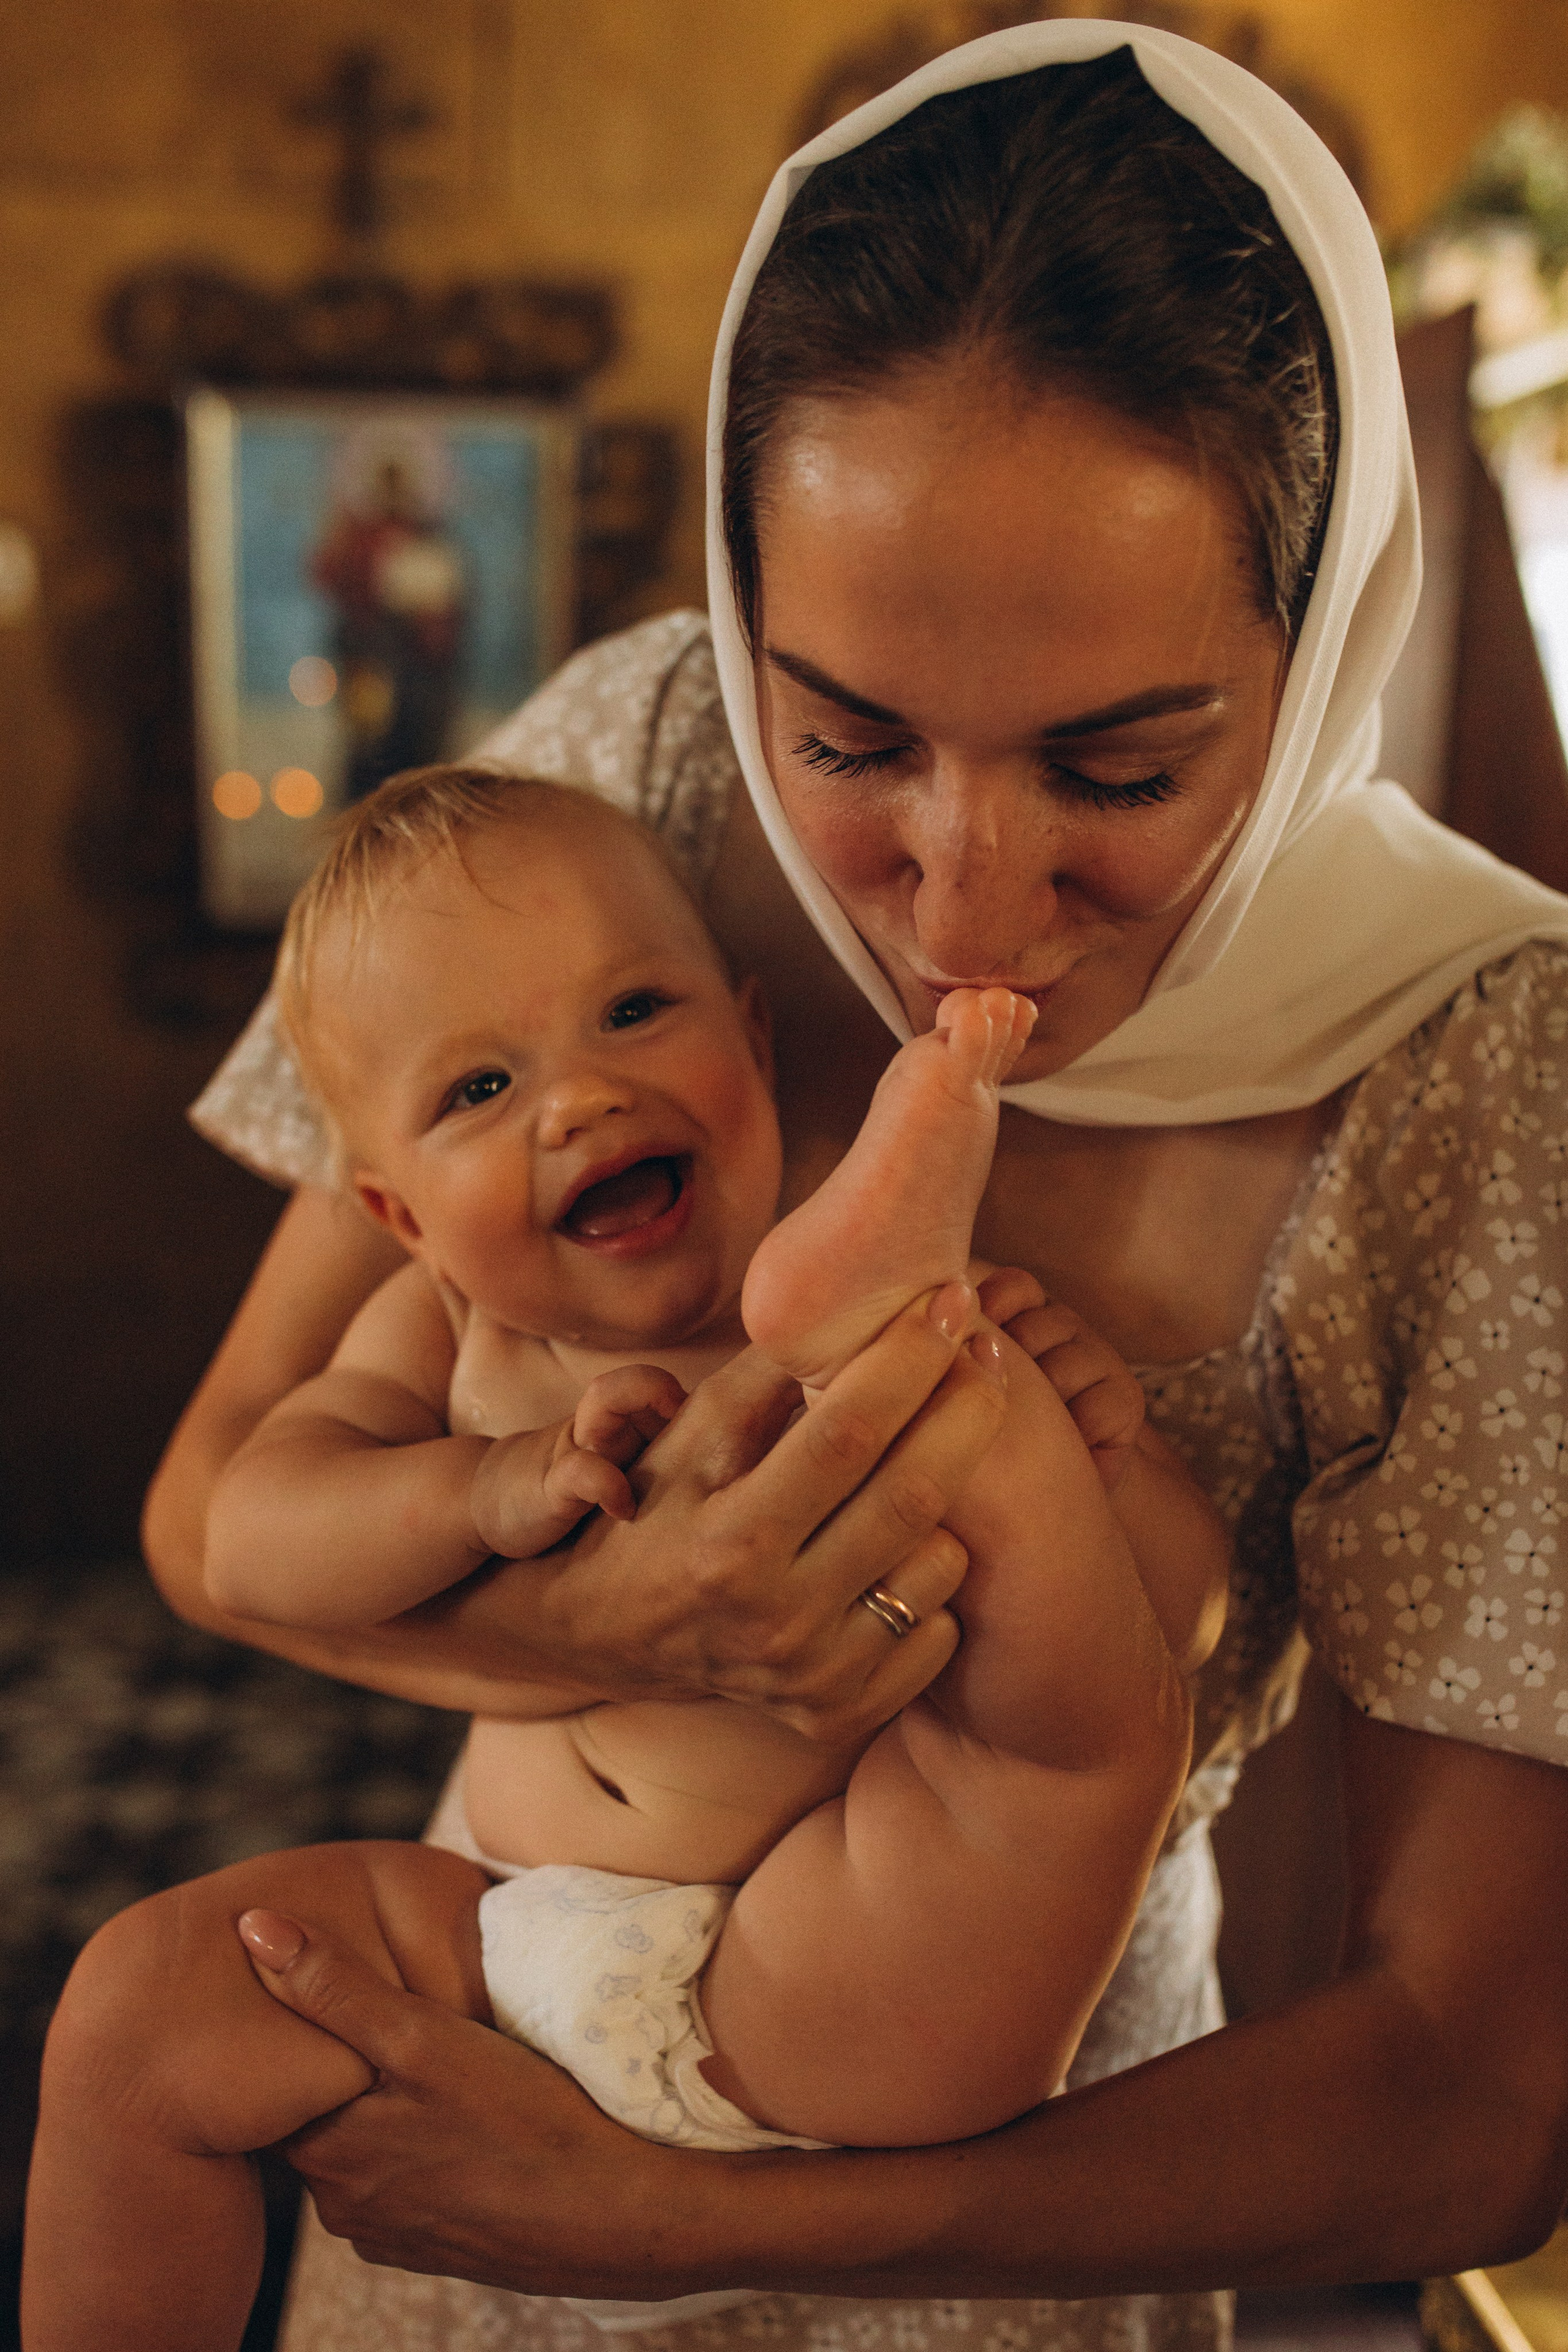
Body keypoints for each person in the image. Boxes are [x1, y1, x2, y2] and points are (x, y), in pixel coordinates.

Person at [140, 23, 1568, 2352]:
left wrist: (681, 2219)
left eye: (1121, 767)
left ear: (1319, 651)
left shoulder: (1485, 1067)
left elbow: (1479, 2097)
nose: (963, 910)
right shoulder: (637, 767)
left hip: (992, 2246)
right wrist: (621, 1625)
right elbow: (215, 1518)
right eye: (850, 736)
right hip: (486, 2100)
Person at [25, 766, 1224, 2352]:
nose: (580, 1097)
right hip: (500, 1944)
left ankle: (972, 1331)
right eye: (478, 1088)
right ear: (397, 1212)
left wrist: (1101, 1451)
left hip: (834, 1960)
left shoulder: (914, 1322)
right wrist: (474, 1489)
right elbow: (249, 1538)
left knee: (1059, 1719)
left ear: (754, 1038)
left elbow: (1182, 1618)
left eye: (635, 1012)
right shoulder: (443, 1335)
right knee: (137, 2007)